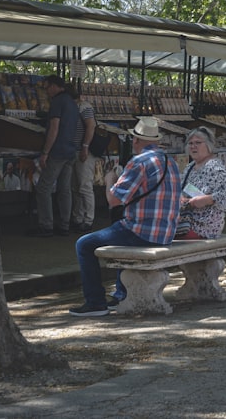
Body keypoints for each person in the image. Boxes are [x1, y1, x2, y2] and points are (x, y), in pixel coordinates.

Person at [69, 116, 181, 317]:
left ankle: (95, 303)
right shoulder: (169, 161)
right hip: (165, 234)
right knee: (121, 230)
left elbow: (114, 201)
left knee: (84, 244)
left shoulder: (139, 162)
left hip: (142, 233)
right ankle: (121, 294)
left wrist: (110, 180)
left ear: (136, 141)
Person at [31, 74, 80, 237]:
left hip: (57, 151)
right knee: (64, 189)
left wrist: (45, 152)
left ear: (54, 86)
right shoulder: (73, 103)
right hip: (70, 150)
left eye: (47, 87)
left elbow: (54, 128)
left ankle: (46, 225)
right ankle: (64, 224)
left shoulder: (57, 102)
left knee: (44, 187)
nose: (47, 91)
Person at [176, 126, 226, 240]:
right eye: (190, 143)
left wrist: (207, 199)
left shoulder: (213, 167)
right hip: (186, 222)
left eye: (198, 143)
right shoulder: (190, 167)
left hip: (203, 228)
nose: (193, 146)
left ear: (208, 145)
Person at [71, 90, 98, 233]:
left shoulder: (84, 107)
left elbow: (91, 125)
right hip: (76, 150)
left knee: (84, 186)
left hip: (83, 151)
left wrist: (85, 147)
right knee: (77, 186)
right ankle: (78, 217)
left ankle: (88, 219)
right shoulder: (78, 107)